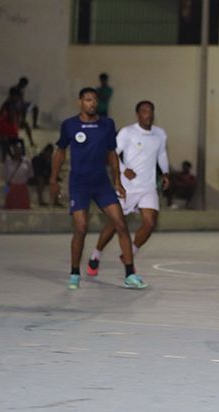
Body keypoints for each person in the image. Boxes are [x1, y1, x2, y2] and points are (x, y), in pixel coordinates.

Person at [50, 87, 147, 290]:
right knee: (81, 228)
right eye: (87, 100)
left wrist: (118, 181)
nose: (92, 103)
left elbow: (112, 154)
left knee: (121, 223)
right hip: (79, 184)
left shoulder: (107, 124)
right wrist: (53, 179)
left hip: (101, 183)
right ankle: (75, 272)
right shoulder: (70, 125)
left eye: (94, 100)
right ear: (80, 103)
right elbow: (60, 152)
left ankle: (130, 274)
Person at [88, 100, 170, 276]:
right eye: (144, 111)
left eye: (150, 111)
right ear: (138, 114)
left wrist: (165, 173)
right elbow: (112, 153)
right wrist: (124, 171)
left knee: (150, 223)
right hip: (128, 188)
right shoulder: (127, 132)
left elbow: (162, 154)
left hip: (148, 187)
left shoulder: (159, 134)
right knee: (114, 225)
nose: (148, 114)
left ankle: (128, 254)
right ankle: (96, 255)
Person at [3, 143, 33, 209]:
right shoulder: (8, 161)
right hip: (11, 186)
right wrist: (5, 191)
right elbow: (6, 176)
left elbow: (30, 174)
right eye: (15, 149)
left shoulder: (27, 161)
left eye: (19, 149)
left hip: (23, 187)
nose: (17, 151)